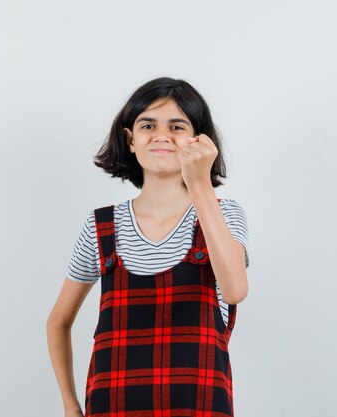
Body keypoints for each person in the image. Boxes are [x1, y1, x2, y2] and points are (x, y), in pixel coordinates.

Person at [46, 77, 250, 417]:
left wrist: (199, 183)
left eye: (177, 125)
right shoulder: (101, 228)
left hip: (197, 408)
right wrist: (70, 406)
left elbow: (234, 289)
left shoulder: (223, 214)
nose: (161, 135)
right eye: (148, 124)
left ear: (201, 141)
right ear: (130, 140)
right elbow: (58, 321)